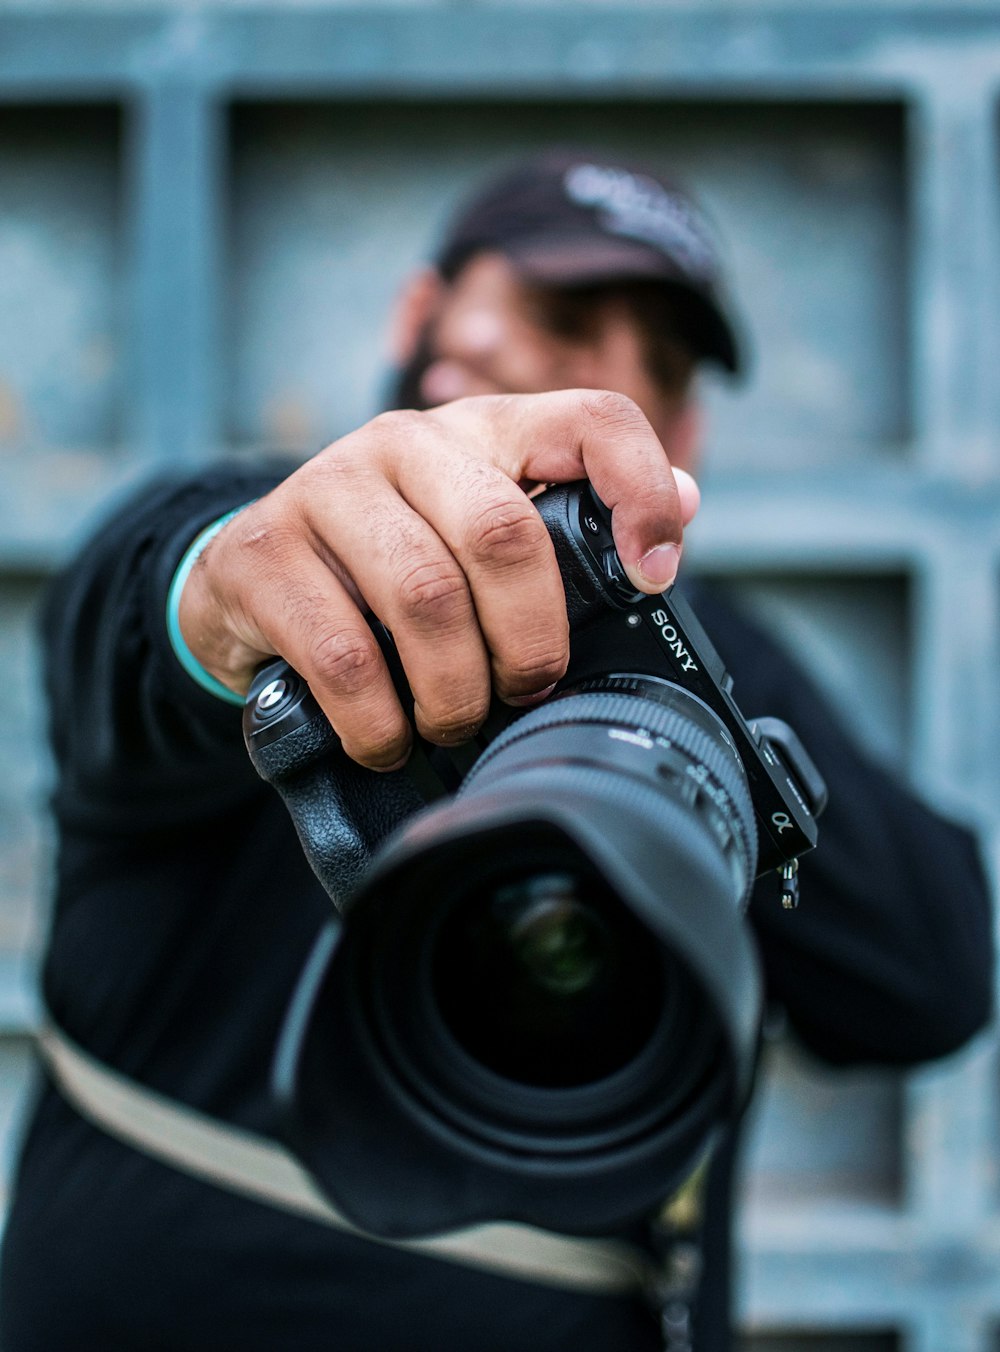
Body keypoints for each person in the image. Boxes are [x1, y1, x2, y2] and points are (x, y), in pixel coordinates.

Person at [0, 149, 992, 1352]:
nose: (600, 373)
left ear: (679, 432)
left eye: (655, 364)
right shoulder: (263, 530)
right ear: (424, 319)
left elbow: (931, 975)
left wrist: (655, 643)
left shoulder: (701, 653)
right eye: (557, 311)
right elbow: (149, 608)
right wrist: (225, 592)